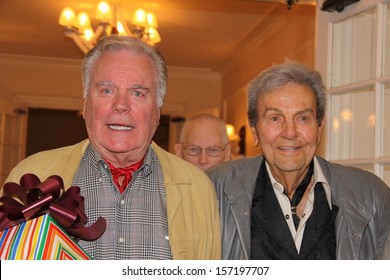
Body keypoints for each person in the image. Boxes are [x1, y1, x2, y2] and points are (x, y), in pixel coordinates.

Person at [2, 35, 221, 260]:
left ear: (158, 109)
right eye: (107, 90)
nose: (120, 105)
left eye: (138, 93)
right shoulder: (31, 177)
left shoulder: (198, 189)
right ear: (86, 102)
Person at [206, 61, 390, 260]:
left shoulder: (372, 195)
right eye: (275, 118)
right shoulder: (215, 189)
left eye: (303, 118)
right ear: (254, 130)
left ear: (319, 127)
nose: (290, 133)